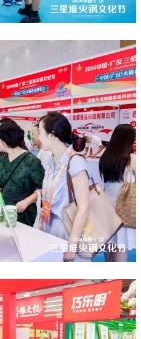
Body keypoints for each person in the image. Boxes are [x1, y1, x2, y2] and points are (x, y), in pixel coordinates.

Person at [37, 112, 91, 260]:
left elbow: (84, 208)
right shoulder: (50, 161)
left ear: (52, 135)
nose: (38, 137)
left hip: (68, 229)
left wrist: (71, 246)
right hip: (48, 225)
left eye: (40, 132)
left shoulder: (75, 162)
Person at [0, 119, 45, 227]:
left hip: (24, 212)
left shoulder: (31, 161)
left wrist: (28, 201)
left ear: (5, 140)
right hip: (4, 212)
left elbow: (44, 187)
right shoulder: (2, 160)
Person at [99, 123, 135, 262]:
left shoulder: (106, 157)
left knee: (110, 244)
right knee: (121, 245)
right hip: (124, 208)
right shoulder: (132, 159)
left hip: (107, 206)